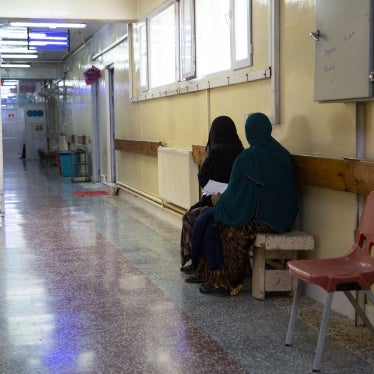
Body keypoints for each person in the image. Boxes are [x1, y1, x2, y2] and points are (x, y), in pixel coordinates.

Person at [189, 112, 300, 295]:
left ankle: (227, 283)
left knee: (228, 227)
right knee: (221, 219)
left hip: (264, 220)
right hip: (286, 219)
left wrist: (220, 204)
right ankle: (224, 274)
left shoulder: (248, 158)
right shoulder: (282, 154)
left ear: (249, 132)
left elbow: (237, 196)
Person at [180, 116, 243, 273]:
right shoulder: (241, 151)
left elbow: (203, 179)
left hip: (216, 202)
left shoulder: (216, 152)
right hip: (236, 202)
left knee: (191, 216)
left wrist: (207, 157)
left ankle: (195, 260)